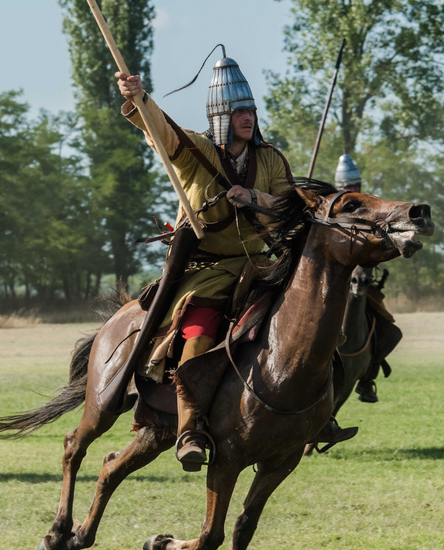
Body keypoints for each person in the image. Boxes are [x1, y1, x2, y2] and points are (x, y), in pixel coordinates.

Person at [117, 54, 354, 470]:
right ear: (222, 116)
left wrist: (254, 199)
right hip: (206, 270)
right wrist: (141, 99)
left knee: (311, 324)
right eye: (239, 111)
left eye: (251, 110)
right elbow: (163, 134)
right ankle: (189, 431)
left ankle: (320, 414)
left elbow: (287, 206)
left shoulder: (271, 160)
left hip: (259, 266)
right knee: (199, 332)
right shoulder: (197, 151)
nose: (248, 117)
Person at [334, 154, 402, 404]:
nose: (352, 190)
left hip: (363, 280)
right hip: (332, 281)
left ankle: (366, 378)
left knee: (390, 333)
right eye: (347, 186)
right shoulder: (332, 212)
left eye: (355, 185)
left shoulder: (372, 210)